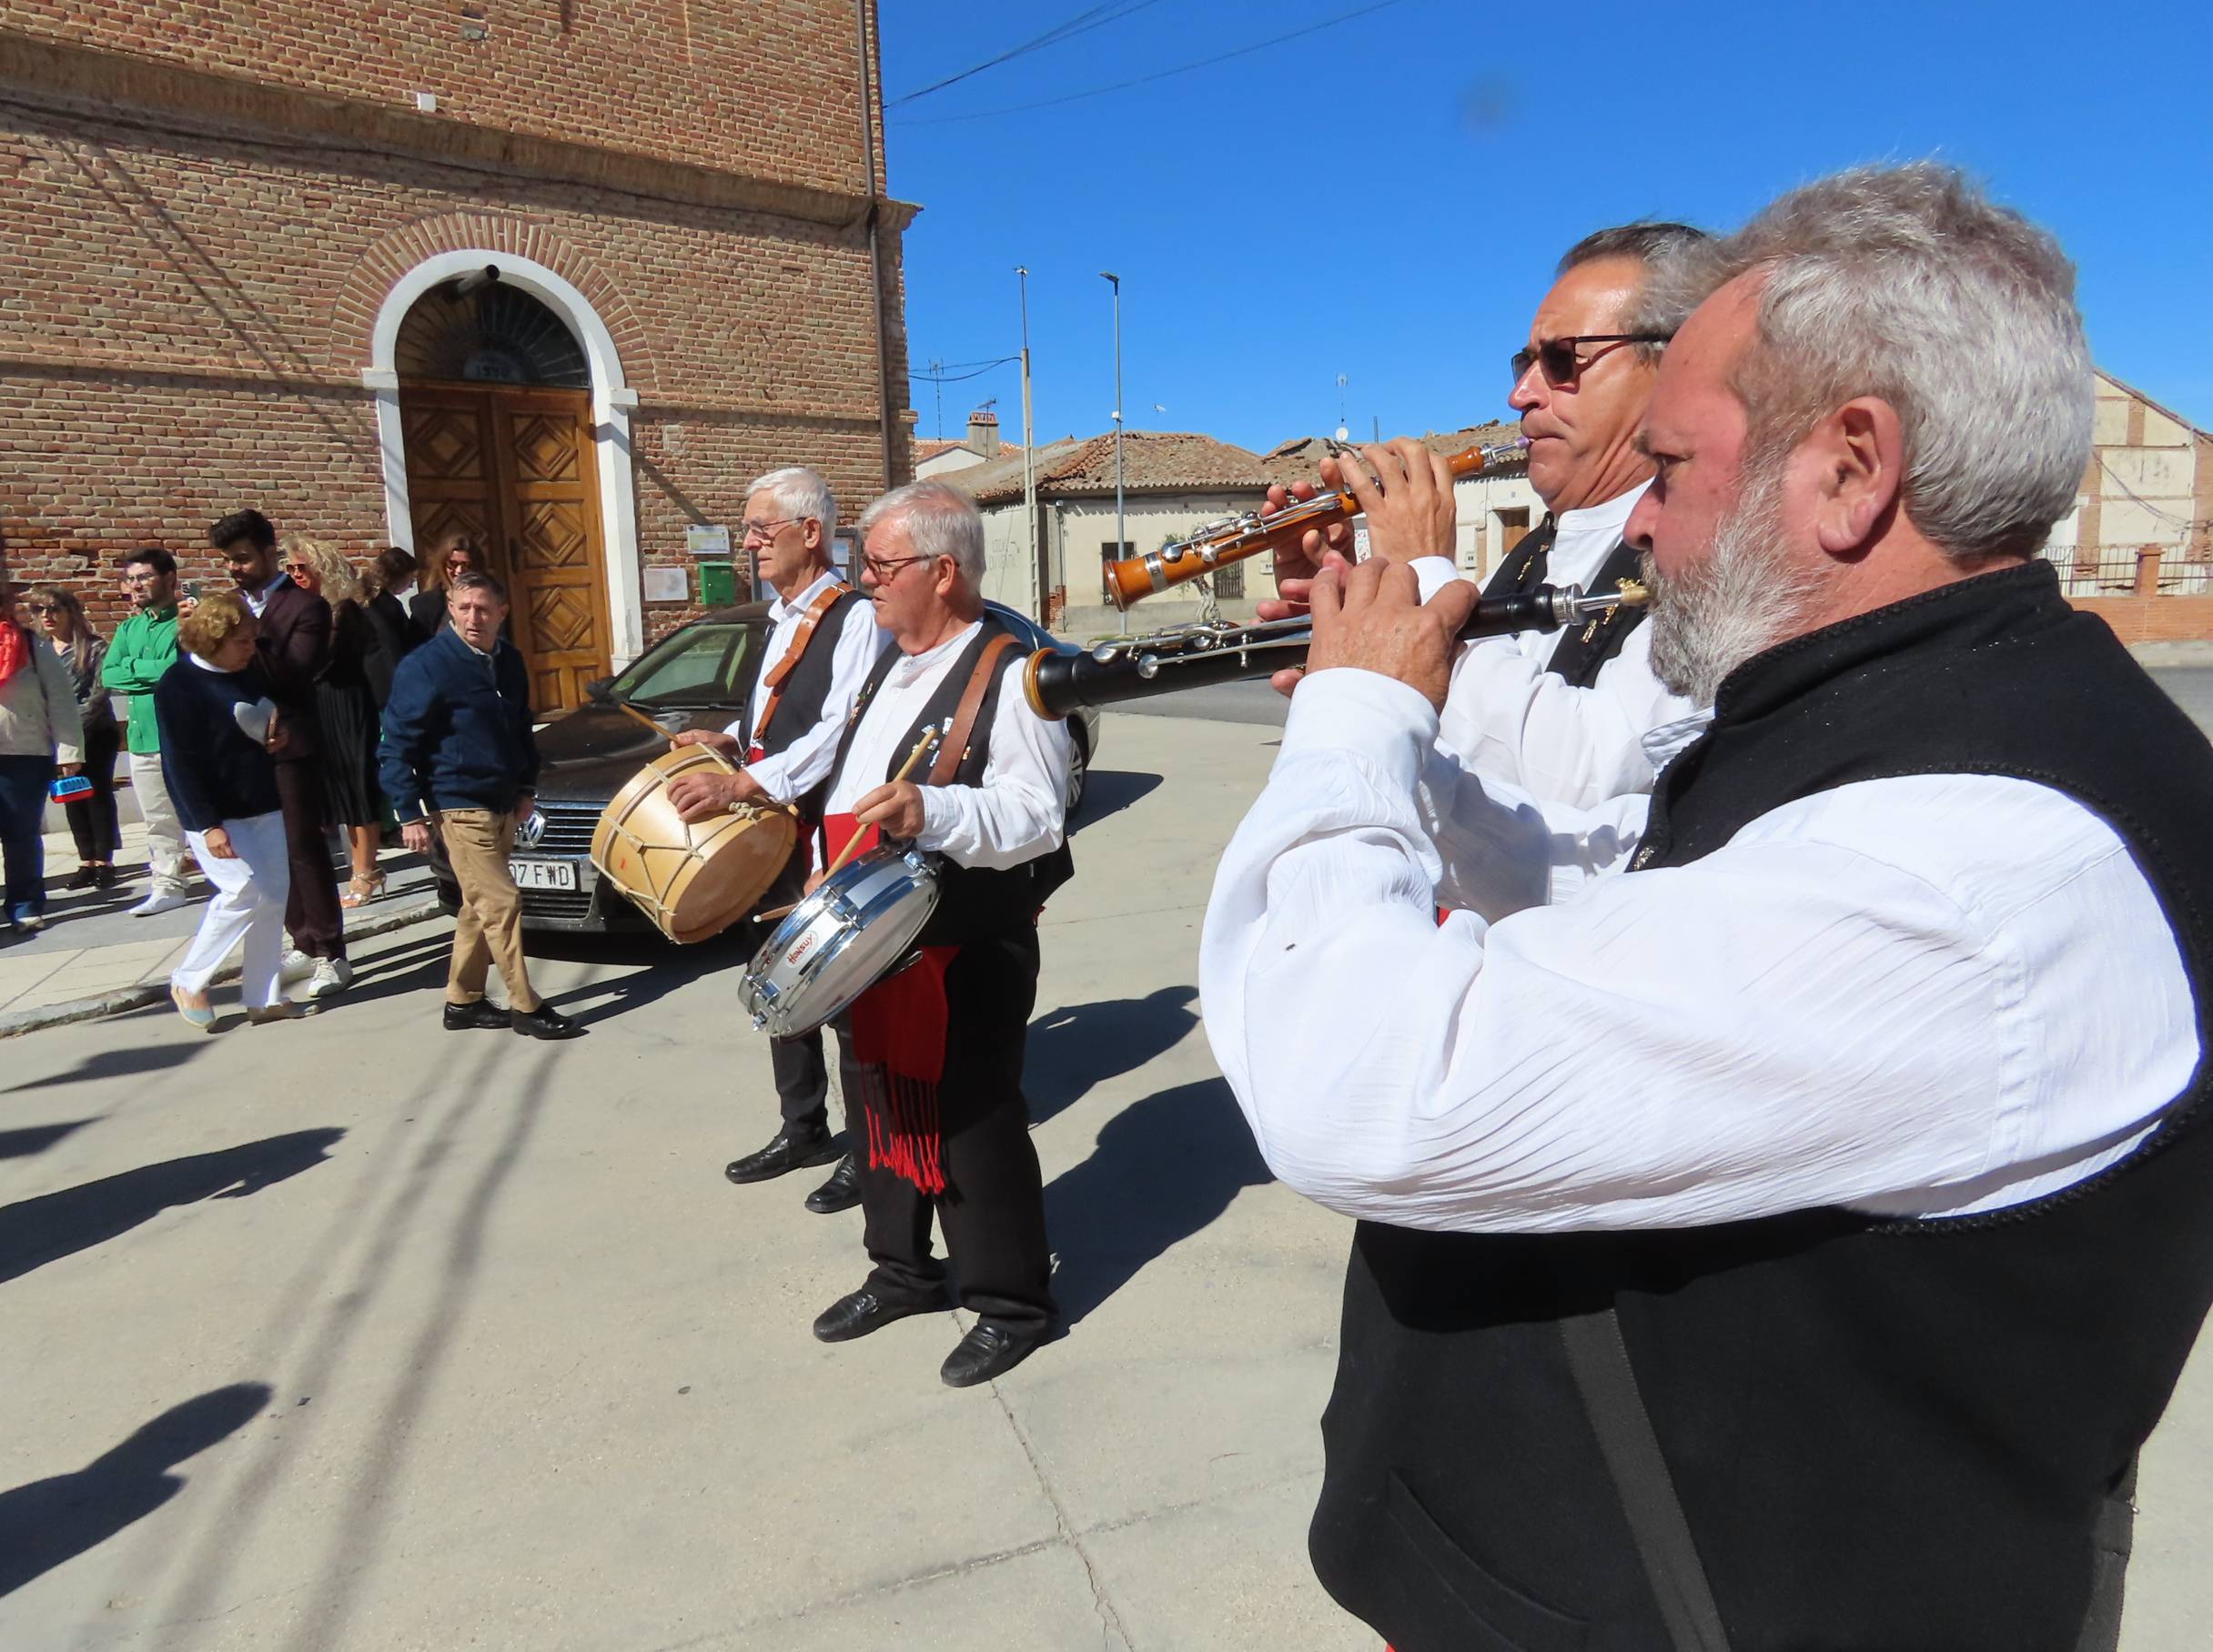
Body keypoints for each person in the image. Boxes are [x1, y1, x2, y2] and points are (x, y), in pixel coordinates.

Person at [1201, 164, 2213, 1651]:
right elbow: (1653, 902)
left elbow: (1362, 1087)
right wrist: (1425, 765)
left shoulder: (1969, 877)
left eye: (1668, 472)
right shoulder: (1907, 714)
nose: (1651, 529)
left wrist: (1352, 725)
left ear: (1851, 469)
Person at [1264, 224, 1707, 811]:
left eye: (1560, 359)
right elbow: (1482, 784)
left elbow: (1591, 779)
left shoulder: (1716, 549)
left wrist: (1421, 574)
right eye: (1524, 362)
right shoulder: (1537, 550)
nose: (1520, 394)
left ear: (1678, 365)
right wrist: (1360, 633)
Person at [803, 481, 1073, 1389]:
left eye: (879, 566)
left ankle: (1012, 1304)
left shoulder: (1015, 673)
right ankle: (901, 1271)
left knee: (971, 1124)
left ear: (943, 571)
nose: (865, 584)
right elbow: (850, 784)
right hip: (873, 932)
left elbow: (1038, 818)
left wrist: (934, 807)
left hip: (969, 941)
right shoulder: (889, 660)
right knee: (875, 1102)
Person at [665, 467, 887, 1213]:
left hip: (830, 831)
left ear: (811, 533)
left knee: (844, 992)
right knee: (777, 979)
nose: (749, 542)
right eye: (748, 529)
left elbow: (838, 731)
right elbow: (780, 718)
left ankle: (867, 1150)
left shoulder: (853, 616)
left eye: (762, 528)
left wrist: (742, 785)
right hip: (776, 829)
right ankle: (803, 1128)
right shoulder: (782, 613)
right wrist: (726, 740)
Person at [379, 570, 581, 1041]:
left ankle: (462, 1000)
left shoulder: (508, 660)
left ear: (502, 612)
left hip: (503, 801)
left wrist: (526, 788)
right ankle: (526, 1006)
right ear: (449, 607)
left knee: (478, 904)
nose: (474, 617)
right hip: (458, 803)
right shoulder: (426, 666)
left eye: (484, 609)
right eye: (464, 607)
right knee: (503, 901)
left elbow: (520, 729)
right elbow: (395, 744)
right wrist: (408, 812)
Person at [209, 508, 351, 999]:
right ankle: (301, 939)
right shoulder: (228, 604)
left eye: (244, 558)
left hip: (291, 741)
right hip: (241, 747)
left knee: (302, 847)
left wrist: (246, 632)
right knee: (265, 852)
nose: (235, 569)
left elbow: (295, 673)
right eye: (228, 561)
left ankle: (331, 951)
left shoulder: (305, 607)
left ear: (272, 552)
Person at [155, 592, 298, 1030]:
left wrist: (280, 737)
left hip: (259, 798)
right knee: (242, 892)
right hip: (212, 812)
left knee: (273, 894)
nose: (251, 649)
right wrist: (207, 825)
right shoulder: (178, 685)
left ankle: (263, 994)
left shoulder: (248, 673)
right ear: (213, 640)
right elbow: (178, 762)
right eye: (242, 641)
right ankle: (189, 980)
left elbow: (269, 718)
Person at [284, 540, 386, 907]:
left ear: (323, 569)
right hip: (318, 706)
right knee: (336, 793)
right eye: (290, 568)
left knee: (356, 789)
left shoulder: (342, 610)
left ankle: (365, 872)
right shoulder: (303, 609)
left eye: (302, 567)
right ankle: (361, 867)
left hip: (346, 704)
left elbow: (323, 661)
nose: (295, 575)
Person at [102, 547, 194, 915]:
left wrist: (134, 668)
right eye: (131, 578)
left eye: (144, 577)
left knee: (198, 813)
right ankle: (167, 884)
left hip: (181, 736)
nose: (135, 585)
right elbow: (109, 674)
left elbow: (178, 669)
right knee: (157, 818)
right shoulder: (129, 627)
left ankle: (230, 875)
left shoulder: (186, 621)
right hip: (141, 737)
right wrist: (150, 670)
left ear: (169, 578)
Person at [0, 577, 84, 936]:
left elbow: (62, 700)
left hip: (25, 753)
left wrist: (68, 750)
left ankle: (25, 904)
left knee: (21, 833)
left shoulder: (31, 646)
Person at [34, 585, 121, 890]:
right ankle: (85, 860)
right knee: (71, 796)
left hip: (95, 731)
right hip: (57, 735)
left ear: (71, 612)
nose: (47, 616)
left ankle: (104, 861)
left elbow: (99, 694)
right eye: (40, 610)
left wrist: (72, 727)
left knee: (96, 793)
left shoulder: (94, 647)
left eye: (54, 609)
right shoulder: (39, 651)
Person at [359, 547, 425, 709]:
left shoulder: (365, 600)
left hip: (367, 681)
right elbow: (391, 646)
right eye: (411, 579)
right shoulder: (386, 606)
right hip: (386, 686)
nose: (410, 586)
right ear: (398, 577)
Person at [410, 530, 481, 640]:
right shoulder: (425, 605)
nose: (459, 571)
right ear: (443, 565)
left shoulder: (490, 600)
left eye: (466, 565)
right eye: (452, 564)